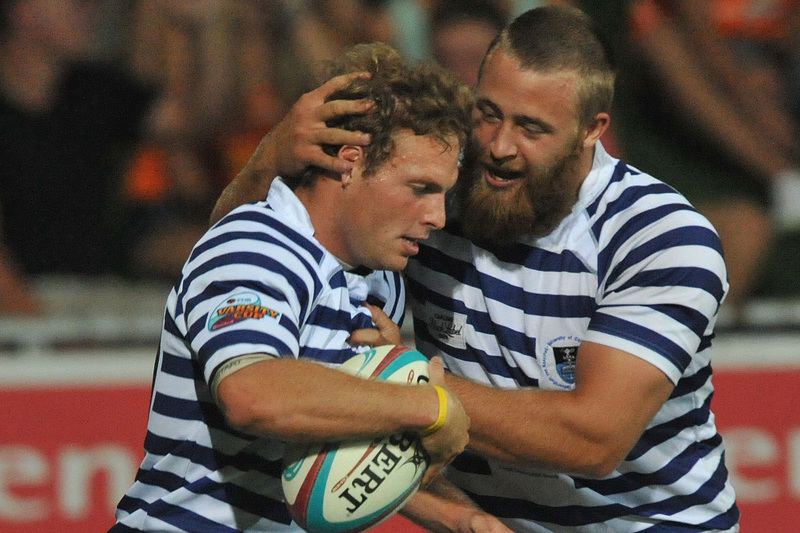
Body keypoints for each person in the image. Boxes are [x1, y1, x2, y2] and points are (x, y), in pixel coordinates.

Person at [212, 5, 740, 531]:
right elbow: (240, 259)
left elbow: (592, 439)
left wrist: (408, 385)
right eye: (487, 113)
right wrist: (268, 160)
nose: (499, 146)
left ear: (591, 129)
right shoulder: (433, 196)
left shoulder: (659, 237)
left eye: (531, 128)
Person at [109, 42, 515, 533]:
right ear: (349, 161)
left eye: (444, 194)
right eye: (421, 188)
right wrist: (427, 406)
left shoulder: (380, 282)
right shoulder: (256, 246)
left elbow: (327, 464)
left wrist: (466, 519)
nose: (437, 217)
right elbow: (253, 394)